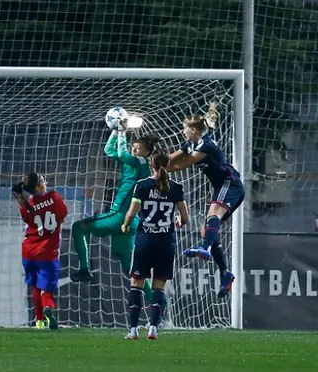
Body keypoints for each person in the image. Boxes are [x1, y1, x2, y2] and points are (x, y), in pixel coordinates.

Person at [70, 119, 160, 304]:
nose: (135, 149)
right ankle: (157, 302)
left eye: (139, 148)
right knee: (129, 266)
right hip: (130, 220)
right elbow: (109, 151)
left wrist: (121, 131)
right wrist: (114, 132)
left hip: (120, 215)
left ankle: (85, 269)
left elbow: (121, 152)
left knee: (79, 227)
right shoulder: (133, 162)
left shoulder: (141, 162)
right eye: (134, 147)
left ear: (147, 152)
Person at [167, 102, 242, 298]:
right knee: (205, 229)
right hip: (220, 187)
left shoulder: (205, 146)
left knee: (213, 216)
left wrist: (162, 169)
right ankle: (225, 274)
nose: (183, 132)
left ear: (193, 129)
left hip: (230, 183)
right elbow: (173, 156)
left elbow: (182, 165)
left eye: (184, 129)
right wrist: (158, 161)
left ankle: (204, 248)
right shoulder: (193, 143)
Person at [121, 150, 190, 340]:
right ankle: (153, 328)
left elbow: (131, 212)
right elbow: (185, 218)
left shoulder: (142, 185)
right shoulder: (176, 187)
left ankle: (133, 330)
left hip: (145, 240)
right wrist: (177, 222)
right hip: (165, 242)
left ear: (151, 165)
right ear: (168, 165)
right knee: (158, 286)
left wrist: (125, 225)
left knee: (137, 284)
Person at [12, 172, 68, 330]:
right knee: (48, 289)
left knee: (35, 285)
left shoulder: (25, 205)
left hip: (29, 251)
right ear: (38, 186)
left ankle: (39, 321)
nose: (46, 182)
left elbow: (29, 217)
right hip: (48, 253)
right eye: (43, 180)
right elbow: (62, 215)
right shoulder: (54, 197)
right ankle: (48, 309)